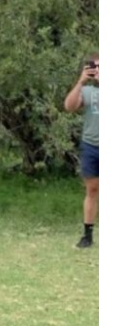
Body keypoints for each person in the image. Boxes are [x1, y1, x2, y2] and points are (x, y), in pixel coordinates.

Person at [64, 54, 99, 249]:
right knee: (92, 190)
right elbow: (69, 106)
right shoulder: (87, 90)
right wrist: (81, 81)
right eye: (94, 67)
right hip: (91, 146)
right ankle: (87, 235)